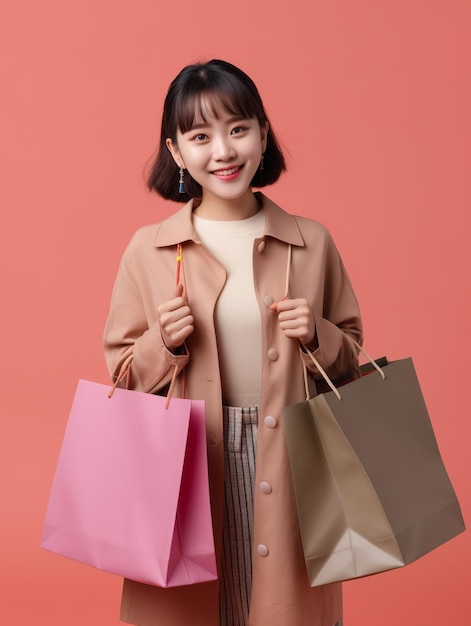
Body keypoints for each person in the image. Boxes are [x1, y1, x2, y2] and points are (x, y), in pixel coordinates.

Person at [103, 59, 362, 626]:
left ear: (263, 134)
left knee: (279, 608)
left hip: (290, 459)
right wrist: (161, 345)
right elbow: (120, 377)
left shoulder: (311, 242)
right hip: (188, 461)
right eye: (200, 136)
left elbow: (351, 359)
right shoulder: (147, 250)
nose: (223, 150)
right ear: (176, 152)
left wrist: (316, 333)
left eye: (238, 129)